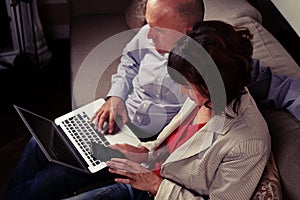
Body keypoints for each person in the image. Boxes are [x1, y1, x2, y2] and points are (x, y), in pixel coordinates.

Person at [2, 0, 205, 199]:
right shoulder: (151, 31)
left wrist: (146, 153)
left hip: (143, 143)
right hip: (115, 117)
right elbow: (129, 61)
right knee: (37, 143)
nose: (148, 34)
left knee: (55, 176)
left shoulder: (198, 79)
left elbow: (183, 137)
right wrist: (115, 96)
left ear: (186, 32)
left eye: (157, 30)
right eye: (148, 25)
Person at [65, 20, 271, 200]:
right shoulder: (208, 95)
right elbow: (175, 148)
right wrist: (145, 154)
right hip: (146, 170)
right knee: (55, 160)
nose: (182, 91)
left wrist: (155, 185)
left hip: (155, 191)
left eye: (188, 85)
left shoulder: (248, 143)